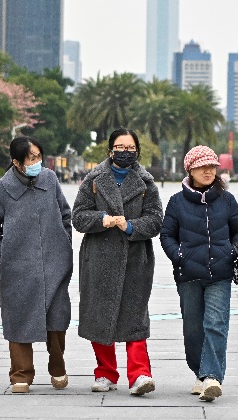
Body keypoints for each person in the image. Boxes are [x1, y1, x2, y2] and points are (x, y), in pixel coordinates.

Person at [72, 128, 163, 397]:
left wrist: (132, 225)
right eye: (120, 147)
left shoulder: (146, 183)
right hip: (99, 258)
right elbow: (78, 217)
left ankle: (140, 374)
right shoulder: (94, 179)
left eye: (130, 147)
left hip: (135, 259)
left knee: (135, 315)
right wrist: (102, 219)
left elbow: (156, 220)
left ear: (137, 150)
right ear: (110, 149)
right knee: (99, 314)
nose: (125, 152)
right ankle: (105, 373)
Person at [160, 145, 238, 402]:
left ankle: (212, 377)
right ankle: (199, 372)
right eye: (203, 167)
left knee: (216, 324)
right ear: (190, 169)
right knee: (192, 330)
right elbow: (166, 235)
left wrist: (234, 251)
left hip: (220, 273)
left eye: (212, 166)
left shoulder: (226, 199)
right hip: (188, 274)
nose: (209, 171)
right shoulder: (177, 202)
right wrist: (179, 257)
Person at [0, 136, 72, 394]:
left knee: (57, 318)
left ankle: (57, 367)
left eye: (38, 156)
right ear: (16, 162)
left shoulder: (50, 179)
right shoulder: (2, 188)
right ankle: (21, 374)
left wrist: (63, 245)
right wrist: (7, 256)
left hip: (55, 263)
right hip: (18, 269)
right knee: (19, 318)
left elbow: (65, 214)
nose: (36, 162)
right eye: (31, 158)